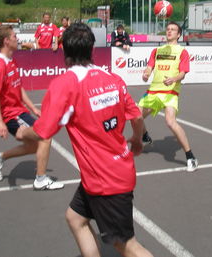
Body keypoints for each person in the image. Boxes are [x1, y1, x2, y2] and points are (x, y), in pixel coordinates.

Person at [17, 23, 152, 257]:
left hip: (105, 180)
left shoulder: (65, 84)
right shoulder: (111, 78)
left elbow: (42, 132)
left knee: (126, 245)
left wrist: (22, 132)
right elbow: (137, 116)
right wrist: (138, 140)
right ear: (92, 49)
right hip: (109, 172)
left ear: (63, 51)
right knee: (75, 218)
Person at [0, 25, 63, 190]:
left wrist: (32, 108)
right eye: (14, 36)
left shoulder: (10, 60)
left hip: (20, 112)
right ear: (6, 41)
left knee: (34, 146)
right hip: (11, 115)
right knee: (45, 135)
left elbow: (18, 87)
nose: (17, 39)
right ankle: (40, 179)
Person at [138, 21, 198, 172]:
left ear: (179, 35)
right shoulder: (157, 50)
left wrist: (174, 79)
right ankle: (145, 136)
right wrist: (146, 74)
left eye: (173, 30)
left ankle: (191, 157)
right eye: (168, 29)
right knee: (135, 116)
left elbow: (183, 73)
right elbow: (149, 67)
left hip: (170, 92)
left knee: (170, 122)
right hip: (153, 91)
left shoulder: (182, 52)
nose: (169, 31)